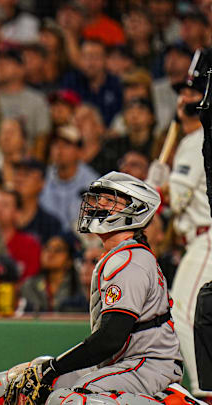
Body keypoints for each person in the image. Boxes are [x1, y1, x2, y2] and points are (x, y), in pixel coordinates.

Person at [13, 172, 182, 404]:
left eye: (111, 199)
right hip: (128, 362)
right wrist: (50, 371)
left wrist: (54, 367)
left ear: (135, 209)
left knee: (71, 398)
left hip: (149, 364)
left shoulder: (130, 260)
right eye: (98, 197)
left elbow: (111, 338)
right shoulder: (121, 254)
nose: (99, 203)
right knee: (31, 381)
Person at [148, 55, 212, 399]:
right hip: (198, 237)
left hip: (207, 238)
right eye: (182, 93)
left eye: (194, 92)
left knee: (184, 311)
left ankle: (203, 391)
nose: (185, 99)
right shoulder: (196, 138)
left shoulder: (197, 137)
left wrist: (153, 188)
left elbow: (178, 198)